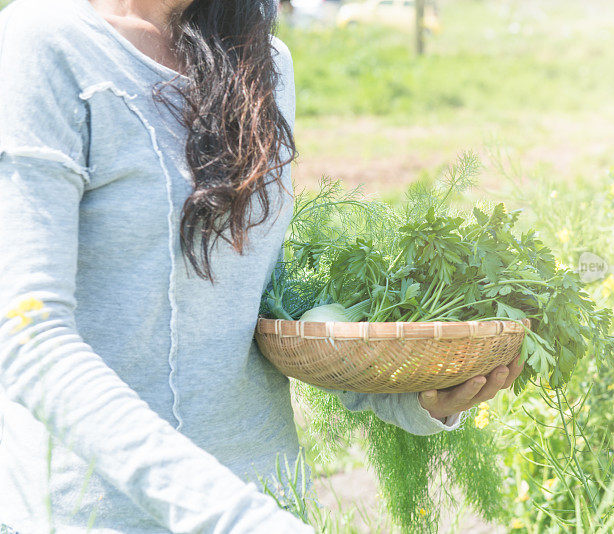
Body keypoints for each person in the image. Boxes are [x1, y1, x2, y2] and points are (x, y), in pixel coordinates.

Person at [0, 0, 524, 531]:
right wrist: (237, 517)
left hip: (268, 492)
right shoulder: (46, 42)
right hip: (96, 513)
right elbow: (28, 339)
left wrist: (405, 389)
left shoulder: (261, 57)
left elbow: (255, 295)